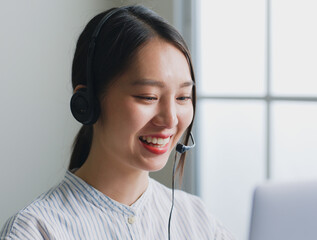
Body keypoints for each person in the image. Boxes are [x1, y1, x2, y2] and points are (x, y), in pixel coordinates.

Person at [0, 5, 234, 239]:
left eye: (183, 97)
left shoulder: (199, 221)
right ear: (87, 103)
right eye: (148, 97)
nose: (171, 118)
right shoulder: (35, 230)